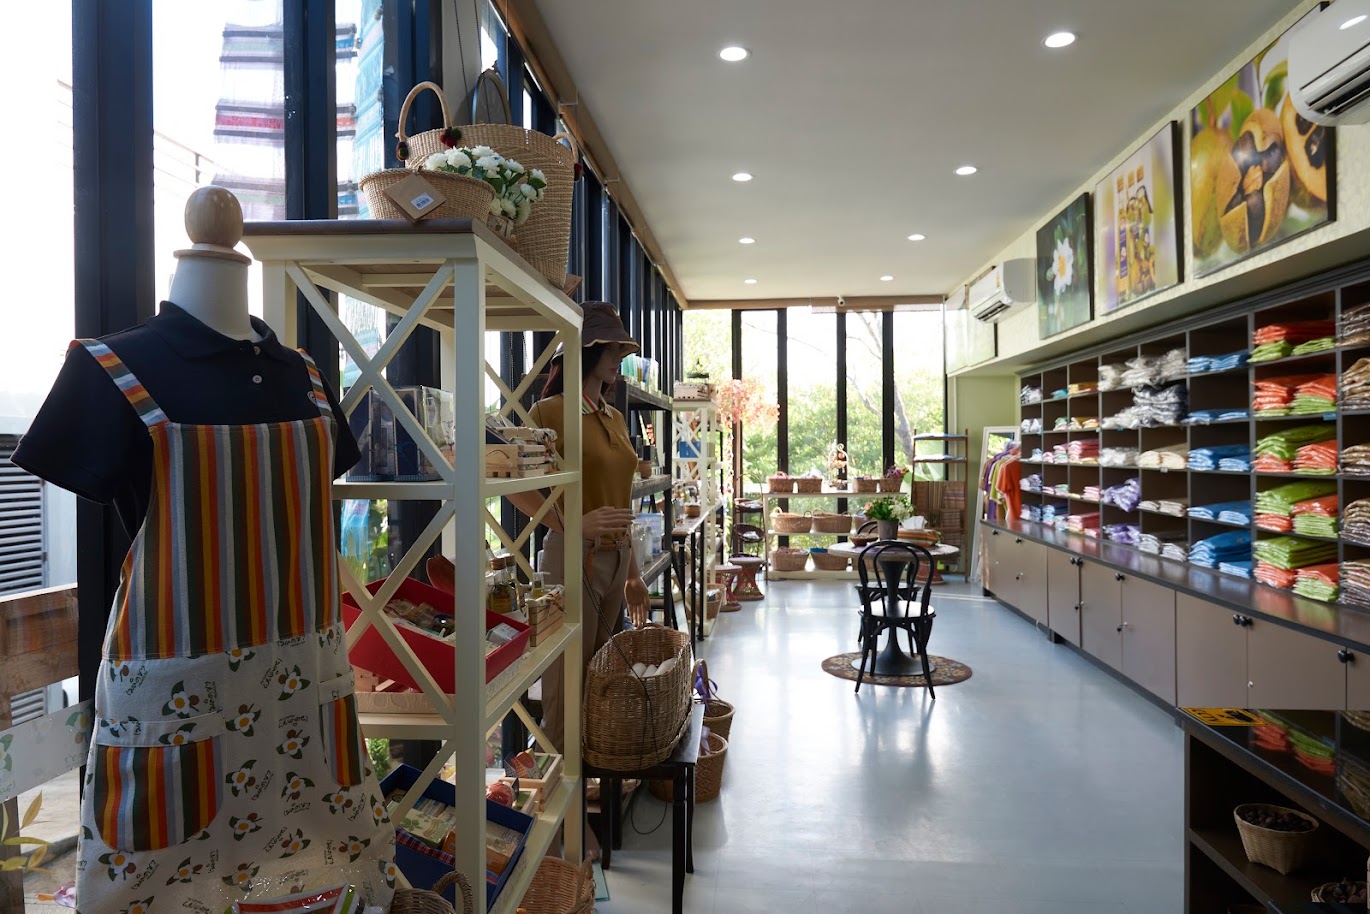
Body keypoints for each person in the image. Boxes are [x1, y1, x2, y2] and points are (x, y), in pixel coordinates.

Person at [511, 302, 650, 752]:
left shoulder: (613, 417)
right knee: (566, 679)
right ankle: (559, 787)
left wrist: (633, 574)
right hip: (574, 558)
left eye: (620, 350)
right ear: (586, 350)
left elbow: (620, 499)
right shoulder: (549, 412)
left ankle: (588, 775)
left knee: (602, 675)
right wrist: (572, 524)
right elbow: (514, 487)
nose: (618, 358)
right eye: (610, 349)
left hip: (617, 556)